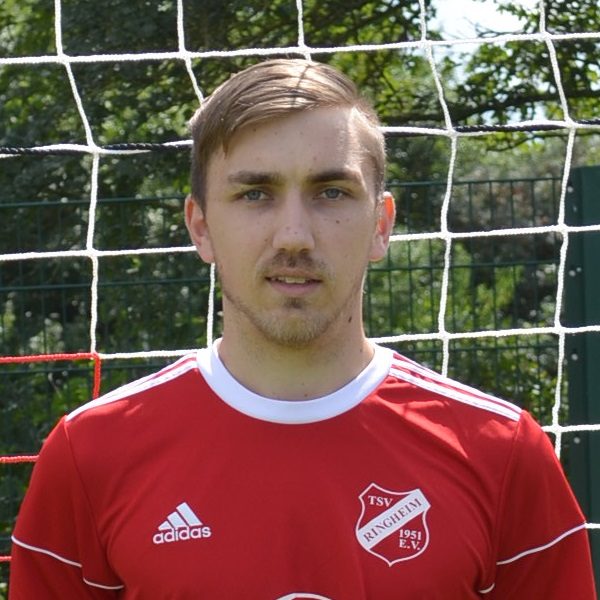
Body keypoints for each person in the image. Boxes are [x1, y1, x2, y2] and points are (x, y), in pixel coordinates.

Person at [9, 59, 596, 599]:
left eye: (331, 192)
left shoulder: (500, 451)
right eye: (255, 194)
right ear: (201, 226)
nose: (294, 236)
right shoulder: (91, 454)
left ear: (381, 225)